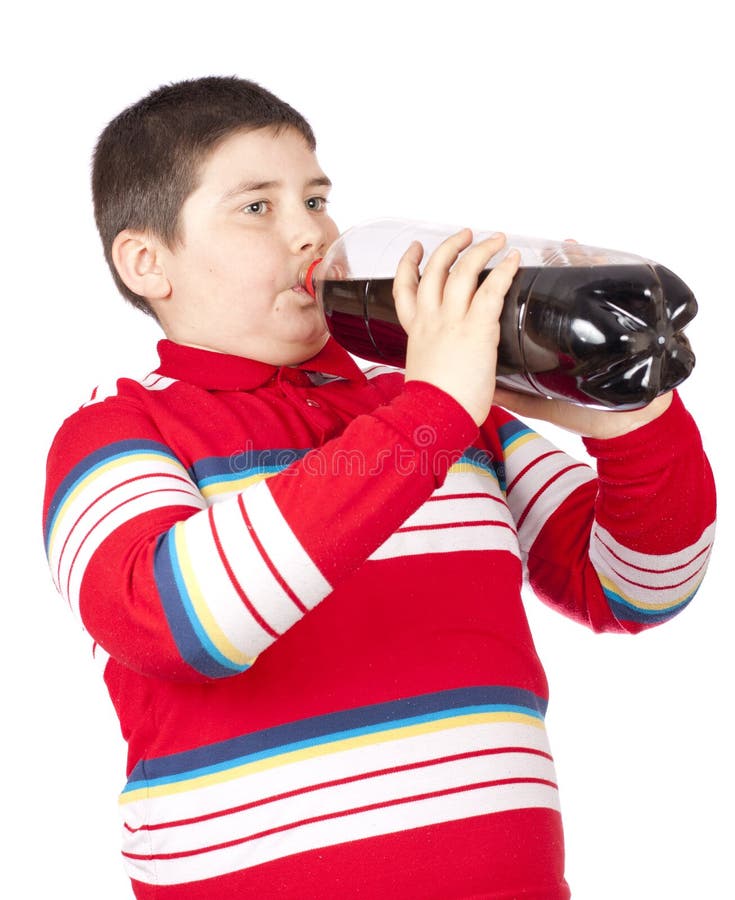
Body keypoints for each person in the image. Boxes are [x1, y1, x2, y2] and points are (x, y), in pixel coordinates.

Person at [42, 76, 716, 899]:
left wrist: (629, 412)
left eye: (316, 198)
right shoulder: (120, 430)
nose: (310, 234)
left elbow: (636, 588)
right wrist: (432, 410)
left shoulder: (431, 406)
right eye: (257, 207)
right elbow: (176, 622)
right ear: (147, 262)